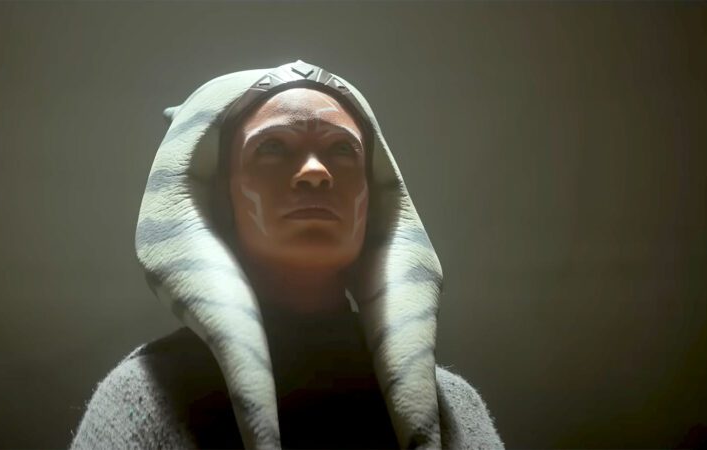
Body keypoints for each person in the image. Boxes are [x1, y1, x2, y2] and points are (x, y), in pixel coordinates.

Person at [70, 60, 504, 449]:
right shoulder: (146, 397)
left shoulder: (454, 407)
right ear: (219, 195)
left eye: (342, 149)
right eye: (273, 146)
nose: (316, 172)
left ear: (373, 196)